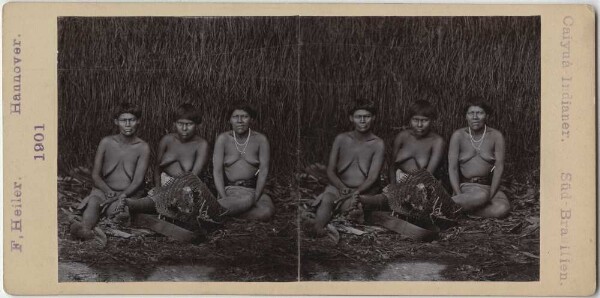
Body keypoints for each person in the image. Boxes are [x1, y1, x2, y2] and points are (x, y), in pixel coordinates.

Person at [70, 102, 150, 240]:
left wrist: (120, 196)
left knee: (118, 213)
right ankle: (85, 230)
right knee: (94, 202)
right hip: (103, 190)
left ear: (138, 121)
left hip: (127, 195)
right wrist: (107, 191)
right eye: (123, 120)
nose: (128, 124)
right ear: (116, 122)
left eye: (131, 120)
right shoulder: (106, 142)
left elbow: (137, 181)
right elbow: (95, 175)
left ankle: (106, 224)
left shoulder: (143, 147)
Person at [306, 102, 385, 236]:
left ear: (374, 118)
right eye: (358, 117)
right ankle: (318, 228)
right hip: (338, 187)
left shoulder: (378, 144)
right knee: (327, 199)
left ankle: (342, 216)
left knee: (351, 207)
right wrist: (341, 187)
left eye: (367, 116)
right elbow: (330, 170)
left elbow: (372, 177)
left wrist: (355, 192)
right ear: (351, 118)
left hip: (362, 191)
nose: (362, 120)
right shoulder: (341, 139)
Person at [448, 99, 510, 218]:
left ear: (487, 115)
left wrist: (491, 194)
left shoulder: (496, 136)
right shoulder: (458, 136)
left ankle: (459, 210)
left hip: (489, 187)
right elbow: (453, 168)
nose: (475, 117)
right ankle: (447, 206)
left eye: (480, 113)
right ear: (466, 116)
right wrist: (458, 192)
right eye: (471, 113)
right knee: (480, 196)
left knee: (502, 208)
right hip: (467, 187)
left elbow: (499, 168)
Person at [212, 103, 275, 221]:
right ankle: (222, 209)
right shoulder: (223, 139)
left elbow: (264, 171)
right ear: (229, 120)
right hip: (231, 190)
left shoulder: (261, 139)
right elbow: (217, 171)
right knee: (243, 200)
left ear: (251, 119)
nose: (240, 120)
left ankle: (225, 214)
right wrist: (223, 196)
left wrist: (256, 197)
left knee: (266, 212)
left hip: (255, 190)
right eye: (235, 117)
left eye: (244, 116)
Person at [154, 103, 209, 187]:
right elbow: (157, 169)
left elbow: (194, 176)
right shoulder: (167, 140)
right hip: (163, 189)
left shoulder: (201, 144)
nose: (184, 129)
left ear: (196, 125)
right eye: (180, 124)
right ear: (174, 123)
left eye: (189, 124)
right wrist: (157, 190)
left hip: (188, 188)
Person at [390, 100, 445, 183]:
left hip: (423, 185)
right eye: (415, 120)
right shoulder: (402, 136)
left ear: (432, 120)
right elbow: (392, 166)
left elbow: (428, 175)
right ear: (410, 120)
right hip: (397, 185)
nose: (419, 125)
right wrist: (392, 188)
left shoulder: (437, 141)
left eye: (424, 120)